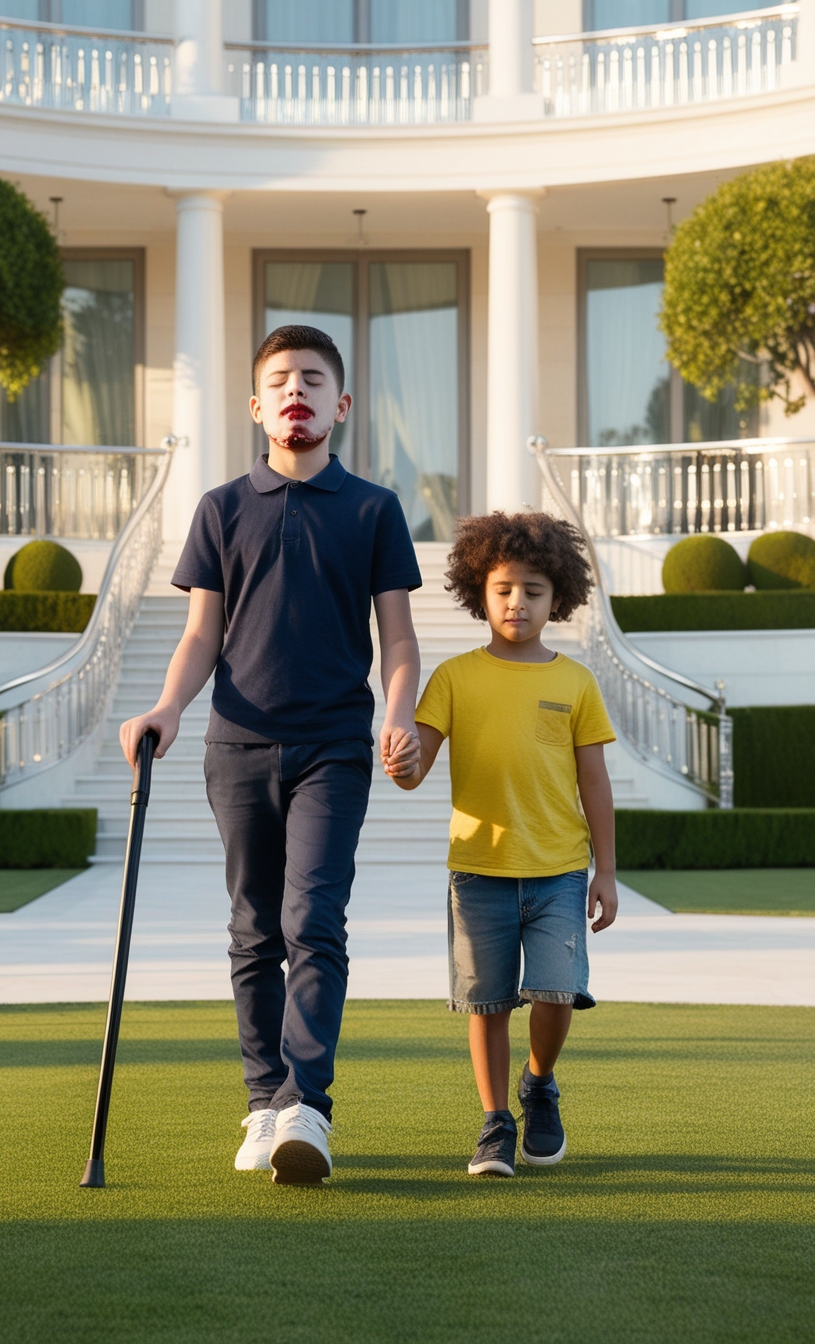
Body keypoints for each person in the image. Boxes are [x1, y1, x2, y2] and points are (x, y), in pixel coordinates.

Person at [120, 325, 421, 1185]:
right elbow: (199, 634)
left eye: (314, 380)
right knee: (254, 931)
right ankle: (262, 1104)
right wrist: (166, 708)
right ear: (257, 406)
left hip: (334, 746)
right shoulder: (220, 507)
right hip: (237, 745)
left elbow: (398, 639)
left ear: (342, 406)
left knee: (314, 923)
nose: (298, 391)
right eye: (281, 380)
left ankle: (307, 1110)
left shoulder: (375, 509)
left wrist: (397, 713)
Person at [388, 510, 618, 1177]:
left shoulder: (575, 683)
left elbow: (595, 782)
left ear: (558, 598)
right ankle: (495, 1123)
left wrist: (607, 872)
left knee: (555, 994)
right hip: (478, 873)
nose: (518, 601)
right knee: (488, 1003)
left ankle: (539, 1082)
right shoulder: (454, 678)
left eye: (534, 590)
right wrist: (403, 761)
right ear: (478, 592)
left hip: (560, 873)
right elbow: (417, 767)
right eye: (504, 588)